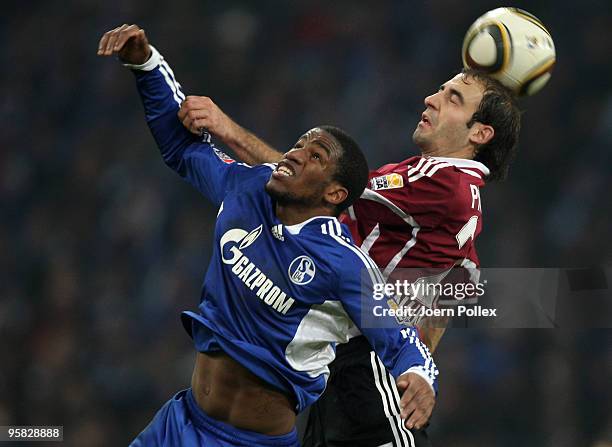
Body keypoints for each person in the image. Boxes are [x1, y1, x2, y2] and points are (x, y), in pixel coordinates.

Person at [97, 24, 438, 447]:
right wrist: (146, 64)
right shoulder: (247, 188)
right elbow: (182, 149)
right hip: (182, 424)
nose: (296, 153)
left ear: (334, 193)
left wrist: (421, 378)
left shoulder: (344, 263)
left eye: (316, 155)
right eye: (299, 143)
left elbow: (399, 339)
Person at [178, 56, 521, 446]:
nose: (431, 99)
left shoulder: (445, 183)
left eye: (453, 98)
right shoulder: (451, 190)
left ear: (480, 134)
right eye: (440, 90)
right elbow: (459, 281)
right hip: (345, 361)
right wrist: (420, 353)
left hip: (369, 365)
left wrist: (226, 129)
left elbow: (314, 186)